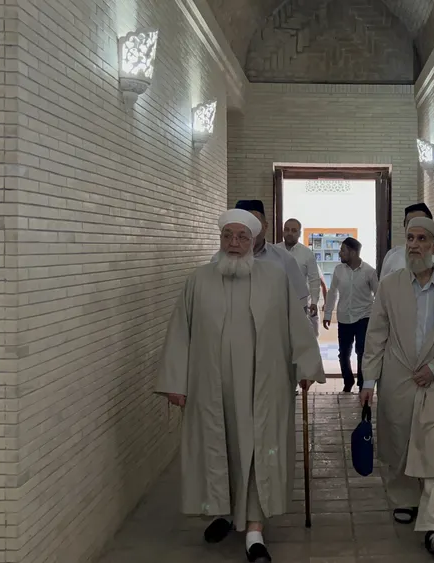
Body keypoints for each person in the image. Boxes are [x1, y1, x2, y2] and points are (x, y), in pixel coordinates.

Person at [156, 209, 325, 563]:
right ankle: (223, 513)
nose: (234, 243)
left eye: (242, 237)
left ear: (254, 240)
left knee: (257, 453)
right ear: (220, 239)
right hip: (210, 387)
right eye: (228, 236)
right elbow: (180, 332)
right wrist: (175, 381)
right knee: (219, 451)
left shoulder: (274, 278)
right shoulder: (198, 280)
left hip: (262, 387)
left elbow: (295, 325)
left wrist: (306, 365)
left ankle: (254, 530)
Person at [360, 217, 434, 557]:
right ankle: (404, 498)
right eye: (410, 238)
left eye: (422, 239)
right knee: (399, 440)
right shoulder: (390, 286)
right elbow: (376, 335)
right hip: (397, 375)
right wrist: (368, 380)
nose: (414, 245)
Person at [211, 200, 309, 311]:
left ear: (265, 226)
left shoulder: (284, 259)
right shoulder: (218, 261)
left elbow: (300, 303)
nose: (249, 230)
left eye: (254, 224)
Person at [322, 237, 378, 393]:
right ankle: (348, 381)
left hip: (364, 316)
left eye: (343, 250)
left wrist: (378, 318)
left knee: (362, 352)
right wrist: (327, 314)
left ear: (353, 252)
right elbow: (332, 293)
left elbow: (378, 294)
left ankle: (362, 384)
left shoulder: (369, 272)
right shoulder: (338, 270)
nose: (340, 253)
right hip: (344, 317)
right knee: (343, 353)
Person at [279, 218, 323, 335]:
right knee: (279, 336)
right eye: (287, 229)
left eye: (294, 230)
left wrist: (314, 302)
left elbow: (314, 280)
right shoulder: (274, 250)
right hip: (277, 303)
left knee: (298, 336)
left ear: (299, 233)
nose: (289, 233)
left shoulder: (307, 253)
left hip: (300, 304)